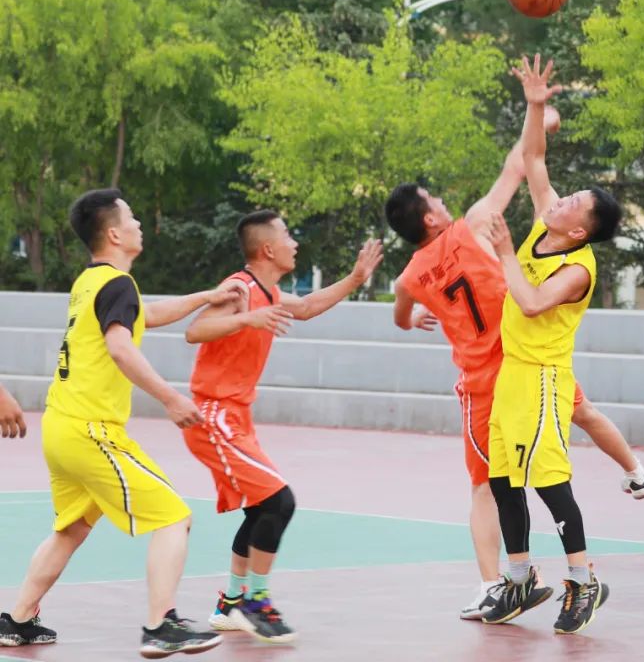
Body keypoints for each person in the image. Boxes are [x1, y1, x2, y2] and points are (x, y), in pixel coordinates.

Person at [387, 106, 644, 622]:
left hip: (501, 373)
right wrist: (538, 115)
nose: (441, 200)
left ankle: (513, 581)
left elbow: (401, 315)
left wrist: (415, 316)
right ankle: (633, 472)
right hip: (517, 362)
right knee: (568, 426)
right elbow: (521, 164)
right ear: (431, 217)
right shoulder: (475, 225)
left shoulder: (412, 275)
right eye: (433, 199)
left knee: (498, 484)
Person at [0, 188, 243, 657]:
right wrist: (171, 398)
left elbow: (143, 317)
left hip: (61, 427)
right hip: (91, 429)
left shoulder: (90, 283)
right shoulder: (117, 284)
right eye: (132, 218)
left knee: (71, 529)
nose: (139, 225)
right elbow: (120, 347)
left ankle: (18, 620)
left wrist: (206, 296)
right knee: (174, 517)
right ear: (114, 233)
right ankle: (160, 625)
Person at [182, 212, 382, 643]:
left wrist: (355, 278)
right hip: (214, 415)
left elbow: (306, 307)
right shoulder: (239, 288)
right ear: (268, 248)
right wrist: (246, 319)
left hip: (236, 415)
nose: (295, 242)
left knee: (261, 509)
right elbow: (195, 331)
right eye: (288, 235)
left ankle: (231, 603)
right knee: (280, 502)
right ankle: (256, 602)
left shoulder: (269, 291)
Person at [477, 55, 622, 635]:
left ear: (579, 229)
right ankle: (519, 578)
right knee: (503, 480)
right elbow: (534, 158)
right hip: (511, 376)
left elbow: (534, 302)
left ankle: (584, 580)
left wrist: (504, 253)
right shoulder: (547, 222)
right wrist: (535, 106)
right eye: (565, 197)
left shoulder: (578, 268)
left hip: (542, 379)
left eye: (570, 205)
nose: (558, 201)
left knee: (549, 483)